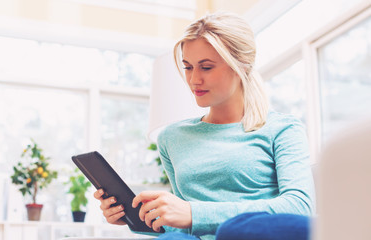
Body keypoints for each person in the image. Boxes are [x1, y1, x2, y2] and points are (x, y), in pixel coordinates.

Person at [94, 12, 315, 240]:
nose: (193, 80)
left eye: (206, 67)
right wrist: (136, 218)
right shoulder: (172, 138)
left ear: (243, 67)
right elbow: (185, 225)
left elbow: (299, 207)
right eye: (188, 67)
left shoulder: (283, 129)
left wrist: (193, 212)